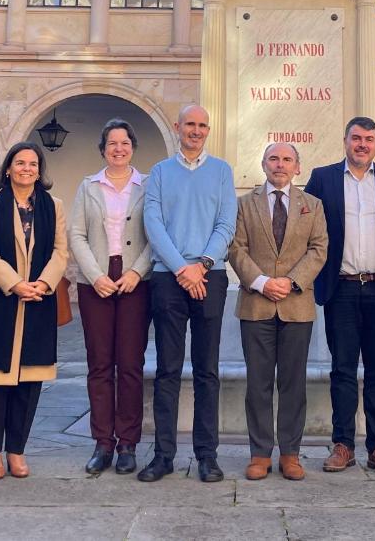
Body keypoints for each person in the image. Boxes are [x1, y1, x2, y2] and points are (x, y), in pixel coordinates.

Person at [304, 116, 375, 475]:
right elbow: (308, 226)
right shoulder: (323, 178)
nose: (362, 144)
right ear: (345, 141)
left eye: (369, 139)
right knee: (342, 369)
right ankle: (343, 445)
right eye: (356, 138)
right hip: (342, 287)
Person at [139, 104, 237, 483]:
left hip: (209, 277)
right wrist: (182, 267)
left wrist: (203, 265)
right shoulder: (161, 173)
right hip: (169, 277)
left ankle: (207, 456)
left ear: (207, 130)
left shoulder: (222, 171)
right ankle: (163, 455)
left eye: (202, 126)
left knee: (206, 371)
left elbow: (226, 222)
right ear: (178, 127)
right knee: (167, 369)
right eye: (190, 125)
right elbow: (153, 223)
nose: (196, 131)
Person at [227, 142, 328, 481]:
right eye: (274, 158)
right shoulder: (244, 205)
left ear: (298, 167)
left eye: (287, 159)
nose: (280, 164)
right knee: (257, 383)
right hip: (256, 305)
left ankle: (290, 453)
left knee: (293, 383)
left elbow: (318, 249)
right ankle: (259, 453)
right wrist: (260, 281)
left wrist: (291, 281)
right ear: (263, 164)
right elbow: (236, 248)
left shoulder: (312, 206)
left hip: (296, 305)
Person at [0, 142, 69, 480]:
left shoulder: (53, 206)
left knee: (29, 380)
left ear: (39, 170)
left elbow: (60, 251)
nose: (26, 168)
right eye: (19, 163)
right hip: (2, 299)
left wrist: (42, 283)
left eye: (32, 163)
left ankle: (17, 450)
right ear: (8, 169)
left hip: (39, 299)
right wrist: (14, 283)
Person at [69, 119, 152, 476]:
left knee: (130, 365)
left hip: (137, 281)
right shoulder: (88, 186)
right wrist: (96, 276)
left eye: (124, 142)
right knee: (100, 364)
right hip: (96, 283)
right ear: (103, 149)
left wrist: (136, 272)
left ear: (133, 146)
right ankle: (103, 442)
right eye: (112, 143)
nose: (118, 148)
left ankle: (129, 443)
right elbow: (76, 234)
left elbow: (157, 233)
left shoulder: (148, 185)